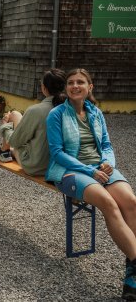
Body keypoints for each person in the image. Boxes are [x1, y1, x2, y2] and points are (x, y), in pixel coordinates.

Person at [45, 68, 136, 300]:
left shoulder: (95, 112)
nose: (75, 86)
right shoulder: (56, 115)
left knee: (131, 202)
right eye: (71, 82)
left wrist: (108, 162)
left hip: (99, 169)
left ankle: (132, 272)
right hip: (70, 171)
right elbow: (57, 153)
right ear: (66, 88)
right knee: (108, 202)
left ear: (89, 87)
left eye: (80, 82)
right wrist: (91, 171)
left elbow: (106, 144)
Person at [0, 68, 66, 175]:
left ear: (44, 88)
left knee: (14, 115)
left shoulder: (36, 110)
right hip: (59, 164)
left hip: (36, 166)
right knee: (17, 121)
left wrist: (6, 125)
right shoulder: (72, 109)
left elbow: (16, 142)